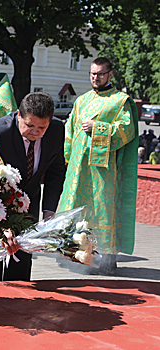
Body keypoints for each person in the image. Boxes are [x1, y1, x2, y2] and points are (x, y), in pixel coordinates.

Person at [58, 57, 138, 274]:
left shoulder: (120, 101)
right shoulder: (81, 100)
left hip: (104, 172)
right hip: (79, 169)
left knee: (103, 211)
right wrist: (67, 160)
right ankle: (76, 256)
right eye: (93, 74)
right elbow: (70, 133)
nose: (96, 78)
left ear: (110, 74)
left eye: (100, 74)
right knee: (77, 209)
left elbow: (127, 131)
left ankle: (108, 261)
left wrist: (99, 127)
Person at [0, 92, 66, 282]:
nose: (35, 132)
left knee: (21, 263)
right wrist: (1, 226)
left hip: (29, 202)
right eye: (29, 125)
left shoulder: (57, 130)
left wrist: (49, 214)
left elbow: (55, 172)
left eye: (42, 127)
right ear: (18, 115)